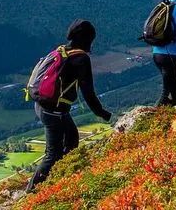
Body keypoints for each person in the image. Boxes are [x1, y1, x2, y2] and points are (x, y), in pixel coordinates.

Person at [26, 19, 112, 192]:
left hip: (44, 106)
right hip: (53, 112)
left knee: (72, 138)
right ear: (86, 38)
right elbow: (88, 92)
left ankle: (59, 178)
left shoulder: (61, 51)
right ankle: (32, 192)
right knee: (53, 153)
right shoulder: (80, 59)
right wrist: (102, 113)